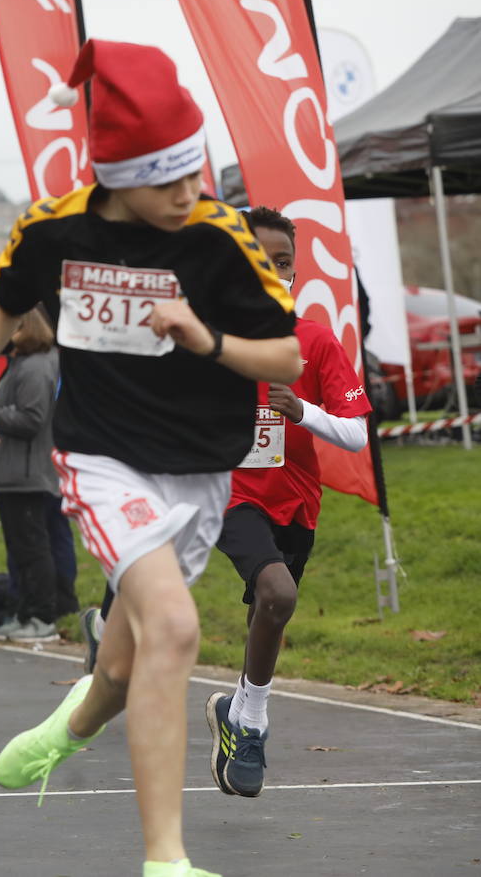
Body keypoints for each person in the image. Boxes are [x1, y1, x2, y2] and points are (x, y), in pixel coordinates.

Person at [0, 41, 301, 877]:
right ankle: (166, 860)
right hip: (100, 459)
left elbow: (286, 360)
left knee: (133, 662)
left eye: (193, 172)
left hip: (200, 470)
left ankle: (73, 724)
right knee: (173, 626)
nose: (186, 193)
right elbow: (5, 300)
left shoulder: (219, 238)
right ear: (115, 173)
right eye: (165, 179)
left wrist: (205, 339)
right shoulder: (55, 226)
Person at [206, 206, 371, 799]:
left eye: (284, 264)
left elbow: (356, 433)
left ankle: (236, 710)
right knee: (278, 593)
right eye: (260, 261)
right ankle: (253, 724)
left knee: (265, 615)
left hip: (297, 503)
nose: (274, 273)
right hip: (230, 496)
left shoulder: (315, 341)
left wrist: (303, 411)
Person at [0, 306, 73, 641]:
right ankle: (23, 613)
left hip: (27, 474)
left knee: (33, 549)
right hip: (13, 473)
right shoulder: (24, 362)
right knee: (21, 549)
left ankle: (42, 617)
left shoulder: (36, 365)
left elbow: (32, 419)